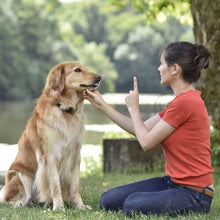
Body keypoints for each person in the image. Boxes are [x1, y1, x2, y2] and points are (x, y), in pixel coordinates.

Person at [83, 41, 214, 216]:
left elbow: (145, 143)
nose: (159, 69)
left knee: (132, 205)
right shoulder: (179, 102)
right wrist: (102, 106)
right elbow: (140, 129)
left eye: (162, 64)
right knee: (108, 200)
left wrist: (134, 109)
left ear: (175, 68)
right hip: (173, 183)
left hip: (195, 194)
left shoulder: (186, 103)